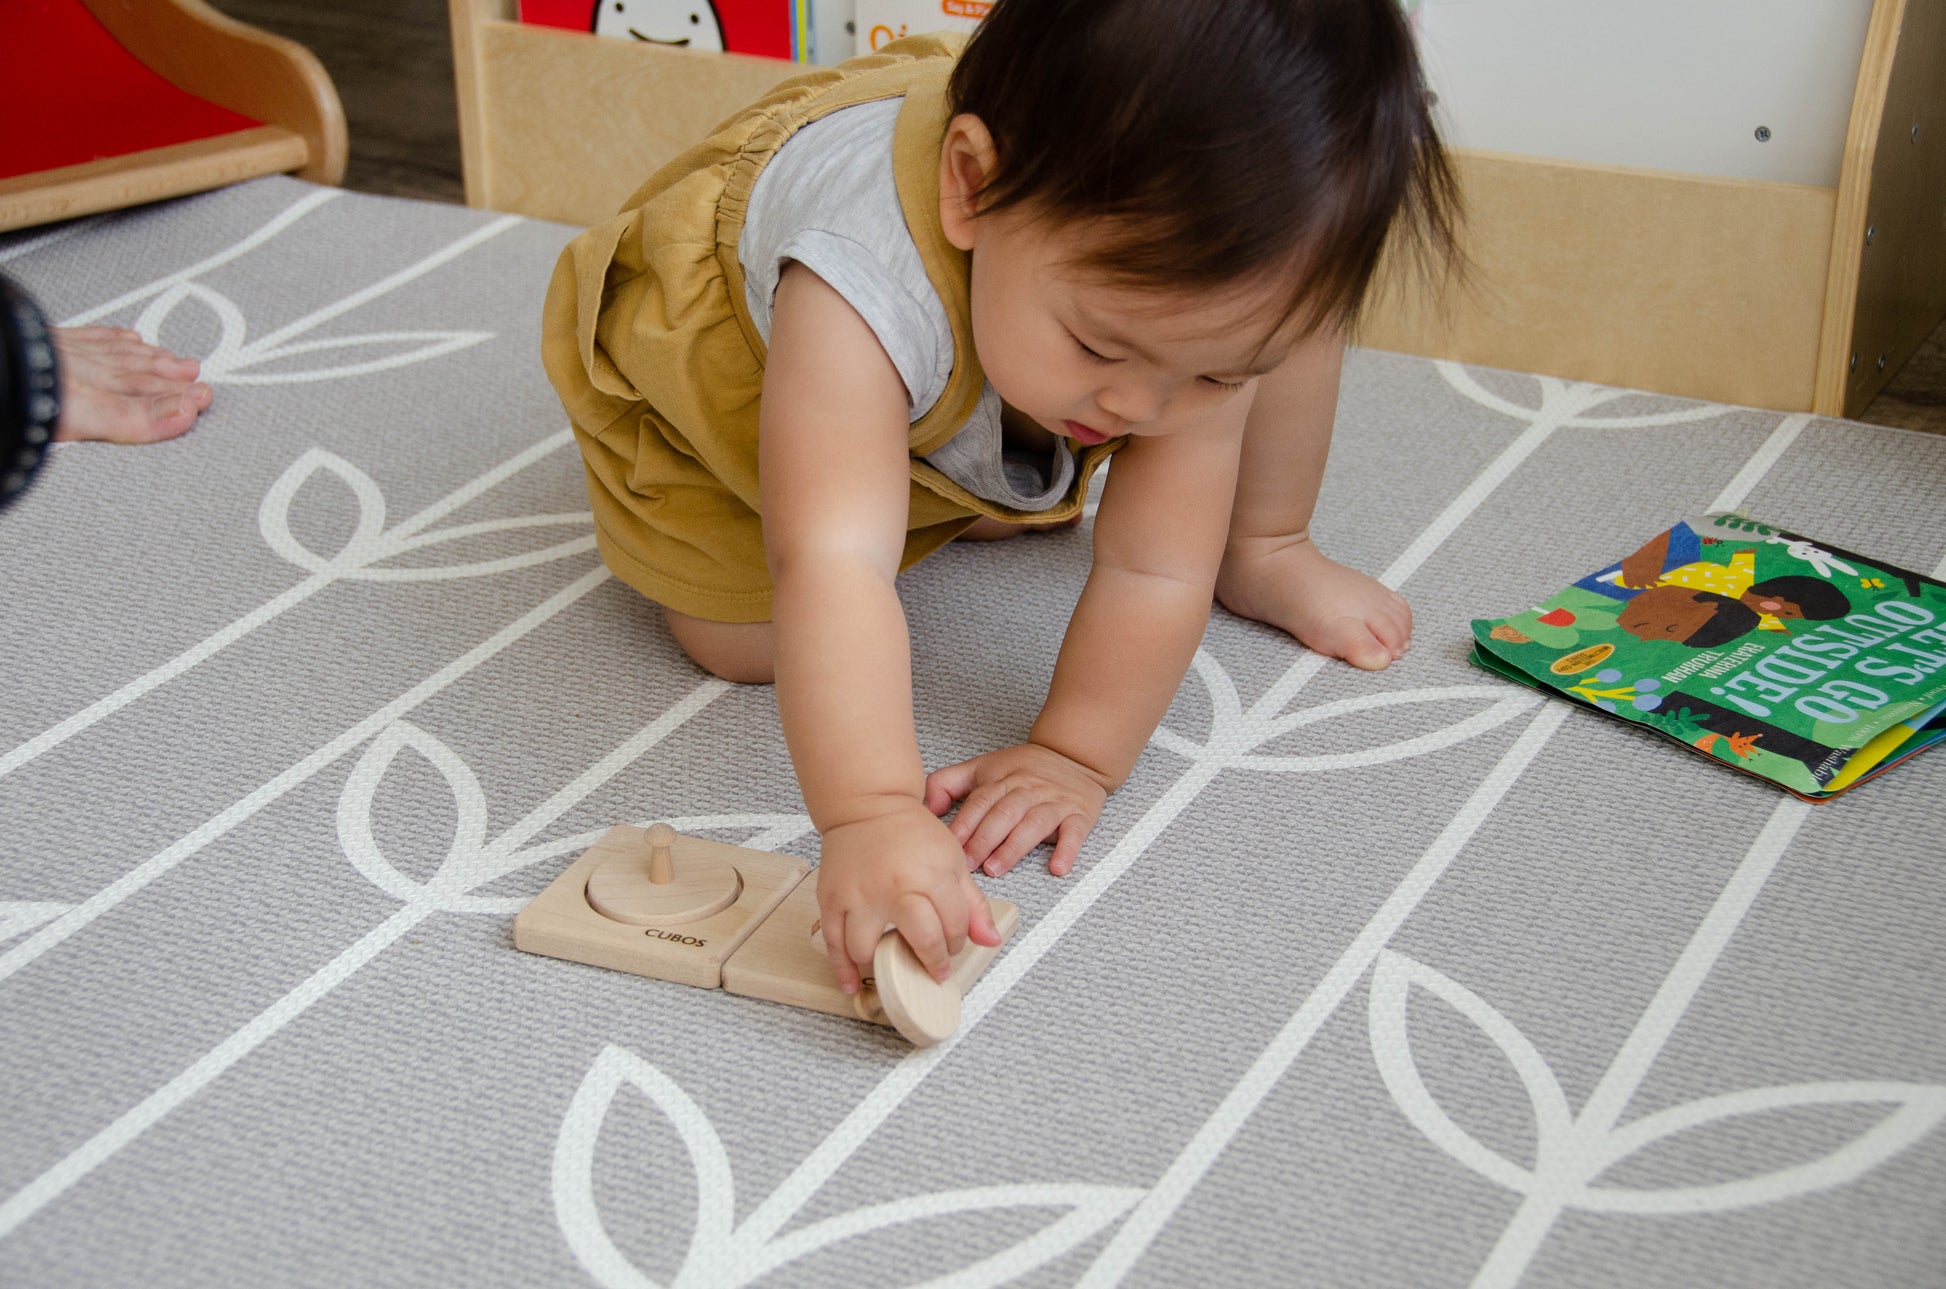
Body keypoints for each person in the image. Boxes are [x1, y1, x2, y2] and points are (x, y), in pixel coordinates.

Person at [542, 0, 1459, 996]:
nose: (1140, 407)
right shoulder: (857, 282)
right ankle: (939, 465)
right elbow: (832, 561)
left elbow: (1154, 562)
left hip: (1037, 302)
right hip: (747, 374)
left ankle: (1268, 542)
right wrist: (872, 813)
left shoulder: (1174, 341)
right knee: (748, 639)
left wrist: (1074, 752)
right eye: (1101, 346)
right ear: (971, 187)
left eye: (1202, 378)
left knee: (1276, 330)